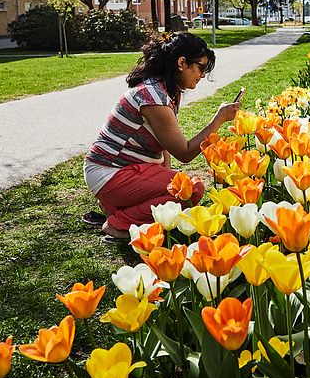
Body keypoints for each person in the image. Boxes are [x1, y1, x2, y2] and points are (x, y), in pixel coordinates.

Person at [83, 32, 241, 240]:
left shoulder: (165, 90)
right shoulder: (153, 97)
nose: (202, 75)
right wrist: (218, 120)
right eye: (201, 67)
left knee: (176, 187)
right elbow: (184, 153)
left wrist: (165, 182)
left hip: (121, 171)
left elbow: (163, 145)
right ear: (182, 63)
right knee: (191, 189)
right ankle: (118, 224)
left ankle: (117, 208)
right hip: (111, 173)